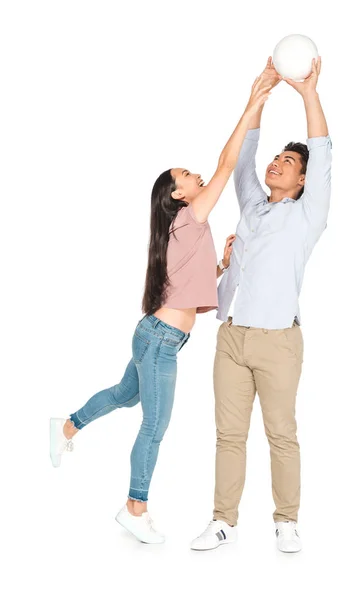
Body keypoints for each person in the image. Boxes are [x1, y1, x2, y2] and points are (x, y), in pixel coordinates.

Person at [49, 73, 272, 544]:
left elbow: (186, 287)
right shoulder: (189, 216)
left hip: (156, 334)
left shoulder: (178, 230)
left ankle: (67, 425)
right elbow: (226, 163)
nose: (197, 178)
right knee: (153, 424)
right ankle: (135, 506)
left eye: (193, 174)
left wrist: (221, 267)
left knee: (126, 396)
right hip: (161, 341)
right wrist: (253, 102)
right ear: (179, 195)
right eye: (187, 176)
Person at [191, 57, 332, 552]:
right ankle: (222, 520)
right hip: (231, 336)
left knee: (281, 434)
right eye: (279, 158)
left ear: (303, 182)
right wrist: (259, 96)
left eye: (289, 163)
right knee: (228, 435)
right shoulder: (251, 203)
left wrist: (307, 93)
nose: (278, 164)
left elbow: (322, 150)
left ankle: (286, 521)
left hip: (277, 340)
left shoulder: (308, 215)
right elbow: (242, 156)